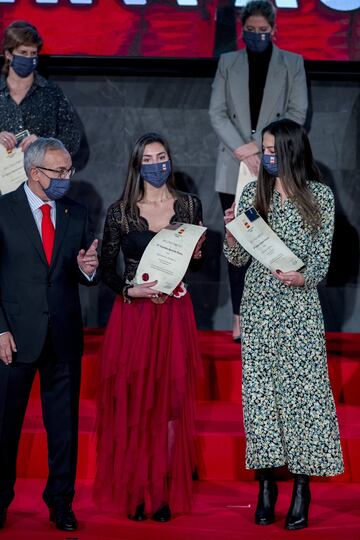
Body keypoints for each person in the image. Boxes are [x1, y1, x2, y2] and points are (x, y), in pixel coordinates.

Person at [223, 119, 344, 530]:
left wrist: (303, 276)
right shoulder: (250, 193)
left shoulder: (320, 196)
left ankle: (301, 486)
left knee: (303, 400)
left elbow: (323, 261)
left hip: (299, 308)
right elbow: (237, 261)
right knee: (261, 399)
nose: (267, 156)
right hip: (259, 306)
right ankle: (265, 485)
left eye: (274, 150)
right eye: (265, 149)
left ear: (293, 150)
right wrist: (232, 236)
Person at [94, 132, 204, 522]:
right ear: (137, 166)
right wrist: (129, 290)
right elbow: (107, 270)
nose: (158, 164)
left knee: (171, 406)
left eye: (163, 156)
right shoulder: (120, 211)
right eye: (149, 158)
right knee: (136, 402)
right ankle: (137, 487)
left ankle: (162, 489)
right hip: (135, 316)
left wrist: (197, 256)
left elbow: (196, 265)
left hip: (174, 315)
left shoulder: (189, 205)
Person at [0, 138, 99, 531]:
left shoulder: (76, 211)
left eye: (70, 170)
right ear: (34, 172)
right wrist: (0, 329)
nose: (67, 178)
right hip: (14, 338)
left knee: (64, 429)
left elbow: (79, 272)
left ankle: (61, 502)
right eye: (59, 172)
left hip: (63, 337)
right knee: (5, 428)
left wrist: (87, 268)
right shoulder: (3, 210)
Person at [209, 0, 308, 342]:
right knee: (237, 238)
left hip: (274, 162)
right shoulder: (228, 62)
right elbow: (217, 112)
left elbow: (297, 112)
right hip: (234, 163)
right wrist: (243, 149)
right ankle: (238, 317)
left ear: (274, 30)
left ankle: (271, 316)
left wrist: (265, 147)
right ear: (242, 29)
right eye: (250, 30)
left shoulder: (292, 63)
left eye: (262, 31)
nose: (255, 36)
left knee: (273, 239)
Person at [0, 20, 80, 155]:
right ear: (8, 54)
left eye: (33, 53)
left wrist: (44, 143)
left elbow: (72, 140)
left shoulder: (51, 93)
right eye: (23, 52)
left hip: (40, 173)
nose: (29, 58)